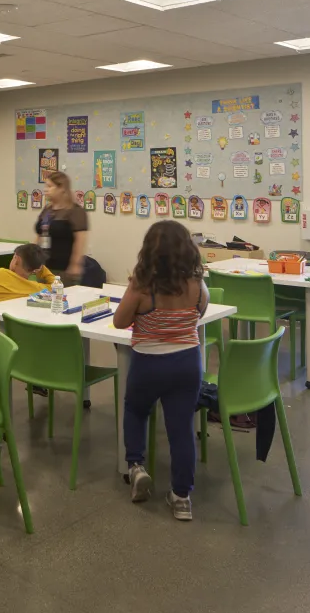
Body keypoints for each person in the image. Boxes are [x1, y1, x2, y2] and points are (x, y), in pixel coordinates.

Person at [112, 220, 209, 522]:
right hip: (186, 362)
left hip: (148, 362)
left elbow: (119, 321)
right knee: (181, 429)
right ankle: (181, 497)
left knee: (136, 410)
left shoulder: (142, 286)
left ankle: (136, 466)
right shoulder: (197, 284)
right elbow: (201, 311)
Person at [0, 243, 54, 345]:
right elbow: (56, 286)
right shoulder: (36, 288)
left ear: (16, 259)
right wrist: (42, 269)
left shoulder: (1, 273)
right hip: (7, 336)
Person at [35, 171, 88, 284]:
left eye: (49, 186)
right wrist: (33, 258)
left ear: (62, 188)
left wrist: (75, 264)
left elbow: (80, 240)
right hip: (44, 266)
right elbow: (40, 235)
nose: (45, 189)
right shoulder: (48, 210)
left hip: (64, 269)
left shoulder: (75, 211)